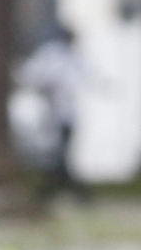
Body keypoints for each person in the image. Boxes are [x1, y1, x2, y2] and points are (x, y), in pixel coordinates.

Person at [20, 23, 91, 208]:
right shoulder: (51, 54)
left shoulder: (73, 56)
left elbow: (88, 75)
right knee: (57, 157)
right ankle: (75, 193)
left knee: (60, 157)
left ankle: (48, 192)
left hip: (67, 115)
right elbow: (34, 77)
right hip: (52, 115)